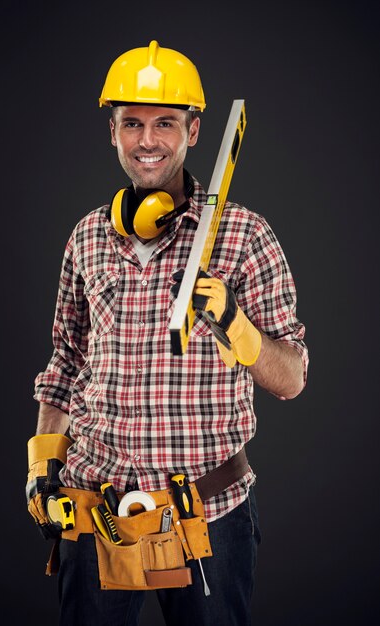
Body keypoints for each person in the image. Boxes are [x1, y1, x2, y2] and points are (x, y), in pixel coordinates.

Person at [26, 40, 309, 626]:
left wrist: (237, 326)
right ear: (113, 132)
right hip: (95, 512)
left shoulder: (243, 236)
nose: (147, 140)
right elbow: (64, 364)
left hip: (208, 515)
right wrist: (41, 466)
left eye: (164, 123)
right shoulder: (86, 239)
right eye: (132, 123)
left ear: (195, 131)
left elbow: (292, 378)